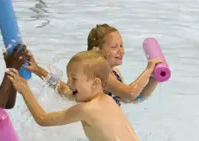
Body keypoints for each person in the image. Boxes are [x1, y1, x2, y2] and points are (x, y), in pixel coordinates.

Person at [6, 50, 157, 141]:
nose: (69, 83)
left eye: (74, 79)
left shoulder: (85, 110)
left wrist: (24, 89)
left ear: (95, 83)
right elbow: (64, 91)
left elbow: (42, 119)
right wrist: (38, 69)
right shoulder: (107, 99)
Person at [24, 24, 162, 105]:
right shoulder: (100, 76)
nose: (121, 50)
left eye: (121, 45)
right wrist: (148, 70)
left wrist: (153, 80)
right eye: (114, 46)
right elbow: (129, 94)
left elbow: (134, 99)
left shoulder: (115, 74)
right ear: (97, 50)